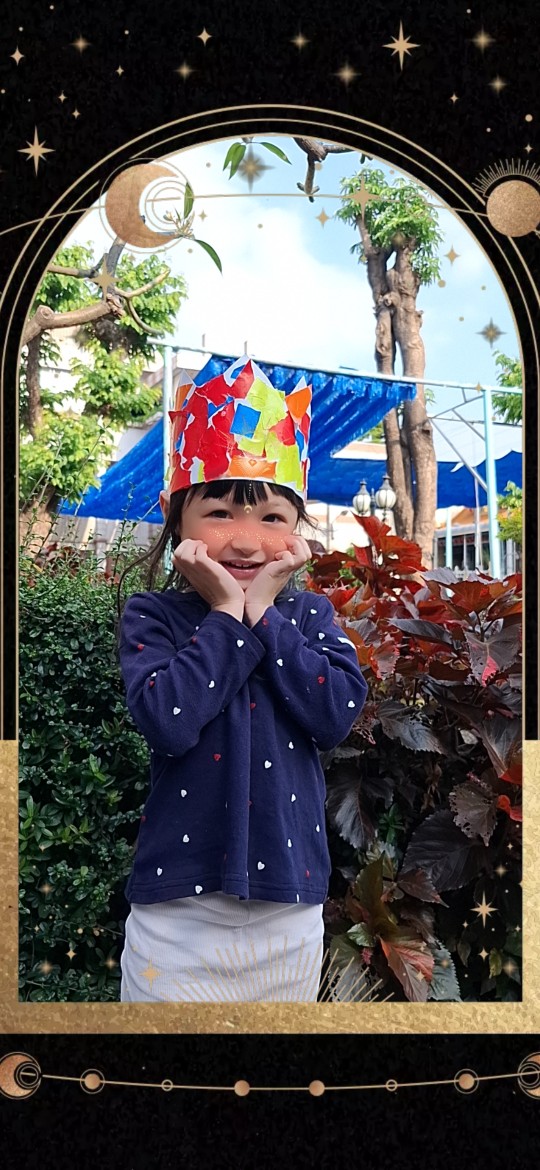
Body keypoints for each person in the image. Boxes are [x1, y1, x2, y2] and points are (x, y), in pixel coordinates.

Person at [116, 358, 368, 1002]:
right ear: (176, 517)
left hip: (290, 913)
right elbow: (166, 721)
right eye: (221, 512)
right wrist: (229, 613)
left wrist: (263, 614)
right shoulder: (153, 615)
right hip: (174, 916)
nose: (248, 542)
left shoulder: (310, 615)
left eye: (273, 519)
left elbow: (335, 714)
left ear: (297, 529)